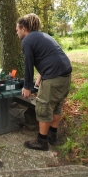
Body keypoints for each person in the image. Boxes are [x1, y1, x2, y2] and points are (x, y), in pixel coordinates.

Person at [16, 13, 72, 151]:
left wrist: (27, 86)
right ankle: (53, 136)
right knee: (56, 105)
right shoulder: (44, 36)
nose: (16, 33)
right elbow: (49, 57)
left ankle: (42, 141)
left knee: (43, 107)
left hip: (54, 77)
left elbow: (28, 64)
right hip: (66, 75)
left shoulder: (27, 41)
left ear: (24, 28)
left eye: (17, 29)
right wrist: (40, 78)